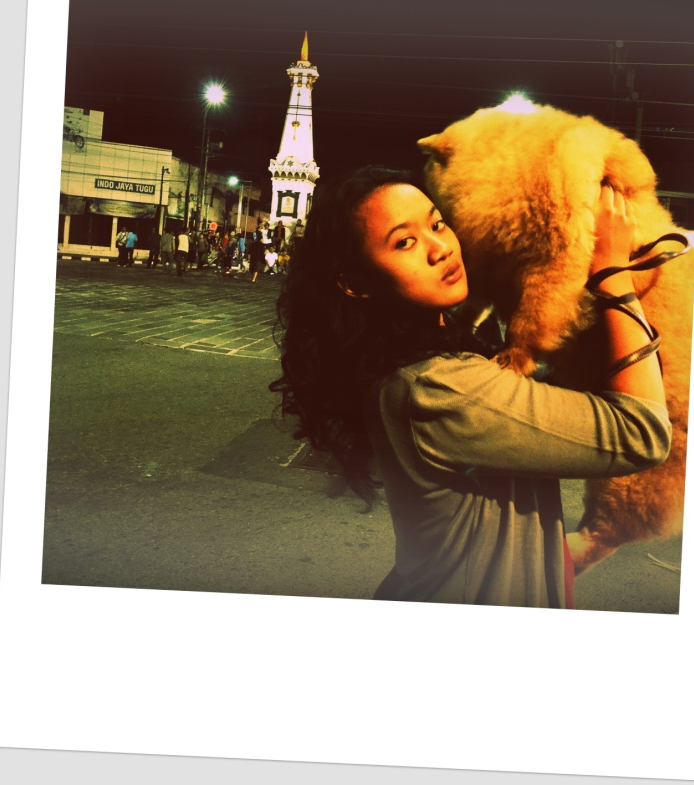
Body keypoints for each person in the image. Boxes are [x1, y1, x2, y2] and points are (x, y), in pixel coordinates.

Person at [269, 166, 671, 609]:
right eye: (405, 242)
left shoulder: (421, 357)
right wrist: (612, 273)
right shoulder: (435, 389)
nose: (440, 248)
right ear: (355, 282)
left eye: (438, 224)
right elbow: (641, 434)